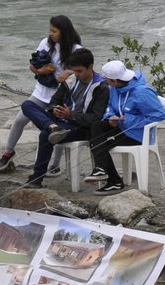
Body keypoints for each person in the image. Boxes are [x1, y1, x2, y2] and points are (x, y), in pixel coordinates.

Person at [0, 15, 81, 172]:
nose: (51, 34)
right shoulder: (45, 43)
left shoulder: (76, 50)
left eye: (54, 31)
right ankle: (8, 152)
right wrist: (40, 70)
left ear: (64, 32)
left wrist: (69, 72)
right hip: (41, 91)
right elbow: (33, 66)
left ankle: (55, 165)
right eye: (50, 30)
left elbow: (83, 73)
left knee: (58, 128)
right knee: (20, 119)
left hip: (62, 95)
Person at [24, 49, 107, 187]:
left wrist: (71, 115)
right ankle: (52, 127)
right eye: (74, 71)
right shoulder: (71, 80)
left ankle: (36, 179)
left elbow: (96, 118)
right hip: (59, 121)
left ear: (91, 67)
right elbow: (53, 101)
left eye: (80, 71)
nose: (77, 74)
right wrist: (55, 109)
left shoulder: (101, 87)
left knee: (45, 135)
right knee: (27, 105)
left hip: (79, 127)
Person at [85, 59, 165, 194]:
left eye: (107, 79)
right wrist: (111, 117)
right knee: (97, 127)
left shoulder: (142, 92)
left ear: (115, 80)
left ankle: (114, 181)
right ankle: (101, 170)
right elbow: (110, 107)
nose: (105, 81)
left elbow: (159, 115)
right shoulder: (114, 88)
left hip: (139, 134)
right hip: (121, 127)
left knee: (100, 142)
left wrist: (128, 120)